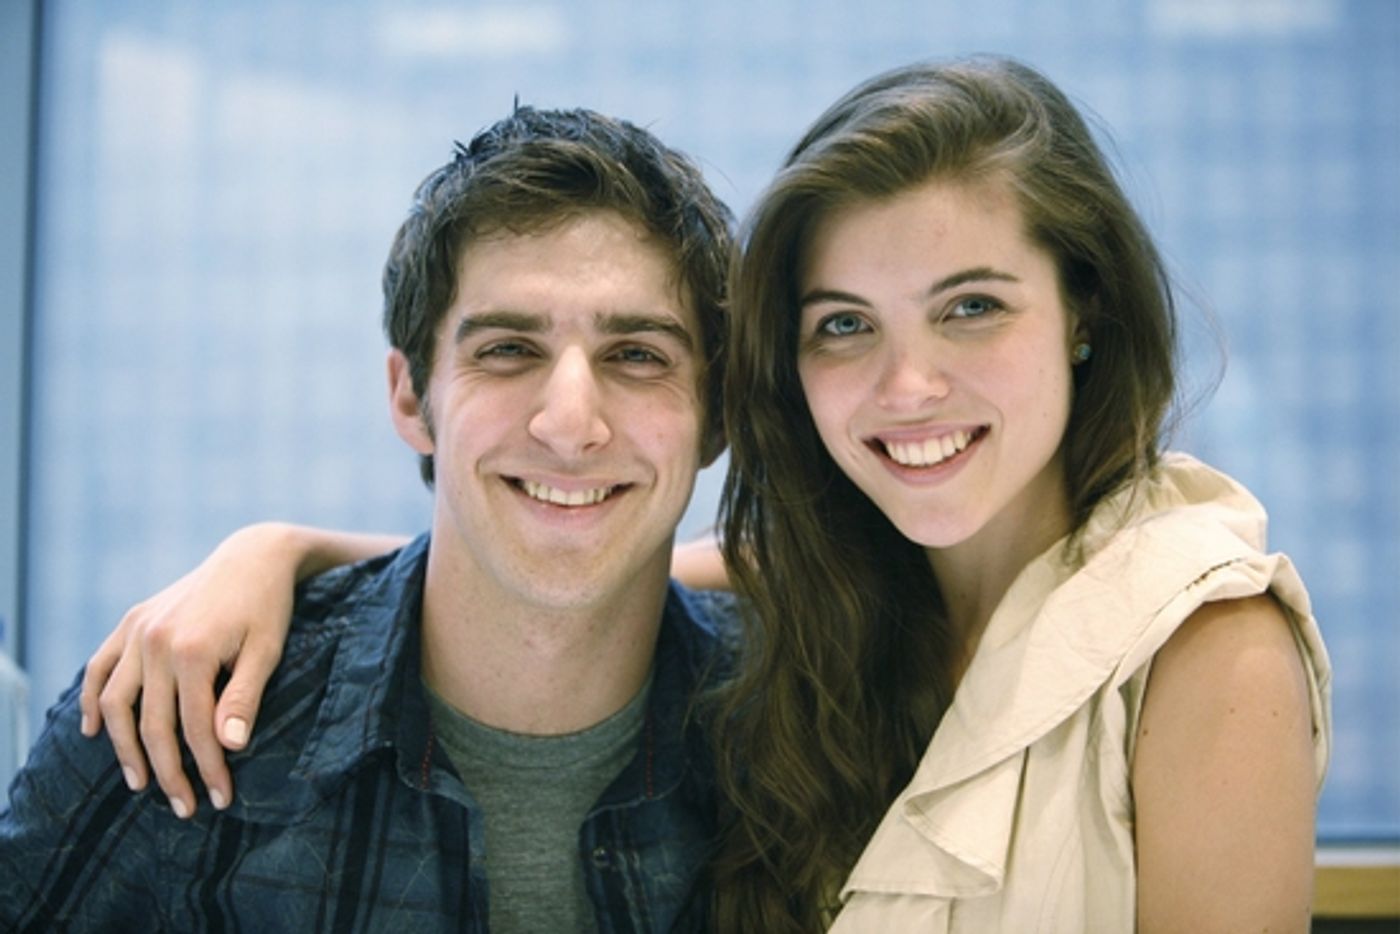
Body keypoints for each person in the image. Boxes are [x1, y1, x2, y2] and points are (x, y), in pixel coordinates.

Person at [70, 57, 1331, 932]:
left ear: (1084, 318)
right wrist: (274, 556)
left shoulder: (1202, 648)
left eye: (971, 307)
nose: (907, 383)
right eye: (844, 323)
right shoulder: (837, 589)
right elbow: (555, 568)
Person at [0, 104, 738, 932]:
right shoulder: (176, 719)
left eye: (638, 355)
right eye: (507, 349)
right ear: (410, 396)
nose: (569, 422)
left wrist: (284, 546)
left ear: (717, 417)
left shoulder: (815, 723)